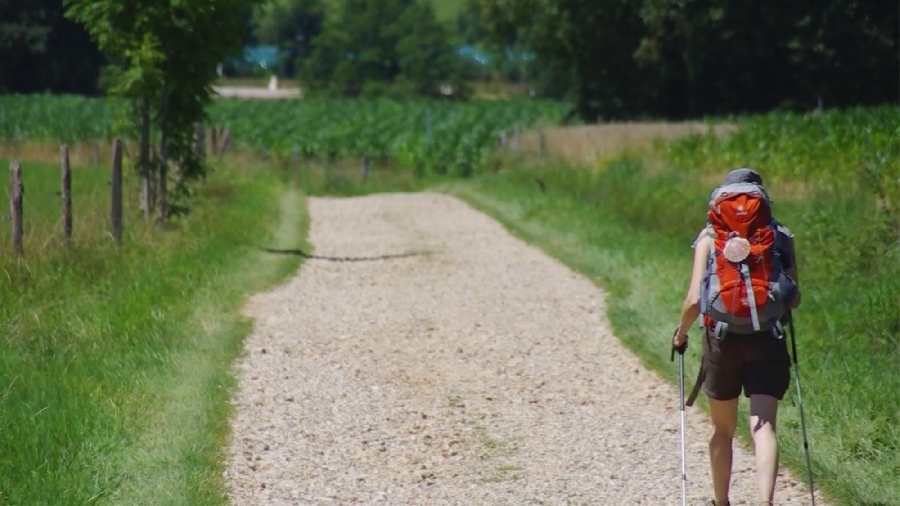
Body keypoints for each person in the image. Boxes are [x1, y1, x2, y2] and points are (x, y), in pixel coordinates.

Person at [672, 168, 801, 506]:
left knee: (723, 431)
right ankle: (765, 501)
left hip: (722, 339)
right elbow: (794, 298)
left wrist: (680, 334)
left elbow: (694, 301)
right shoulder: (780, 235)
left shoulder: (708, 238)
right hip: (766, 336)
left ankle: (721, 502)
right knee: (763, 427)